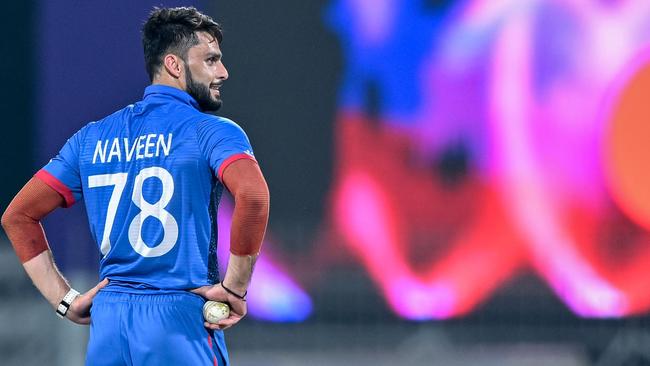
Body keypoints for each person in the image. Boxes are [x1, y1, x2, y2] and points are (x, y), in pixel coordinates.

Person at [1, 6, 269, 366]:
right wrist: (235, 288)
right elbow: (253, 196)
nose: (223, 72)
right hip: (179, 317)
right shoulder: (212, 132)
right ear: (174, 65)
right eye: (211, 60)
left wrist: (64, 301)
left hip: (109, 323)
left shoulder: (90, 138)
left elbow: (17, 216)